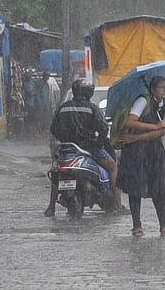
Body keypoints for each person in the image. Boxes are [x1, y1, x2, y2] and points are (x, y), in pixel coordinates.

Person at [44, 79, 125, 217]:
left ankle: (51, 206)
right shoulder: (92, 108)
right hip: (90, 148)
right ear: (89, 93)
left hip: (66, 149)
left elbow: (54, 129)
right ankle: (118, 206)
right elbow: (103, 128)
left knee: (56, 173)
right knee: (113, 167)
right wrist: (99, 143)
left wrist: (65, 139)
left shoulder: (63, 107)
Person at [116, 76, 165, 237]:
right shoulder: (142, 101)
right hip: (136, 152)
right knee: (136, 187)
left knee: (158, 188)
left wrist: (138, 137)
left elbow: (162, 132)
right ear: (153, 89)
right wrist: (153, 126)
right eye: (160, 87)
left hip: (154, 151)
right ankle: (137, 226)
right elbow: (131, 121)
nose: (163, 90)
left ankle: (164, 224)